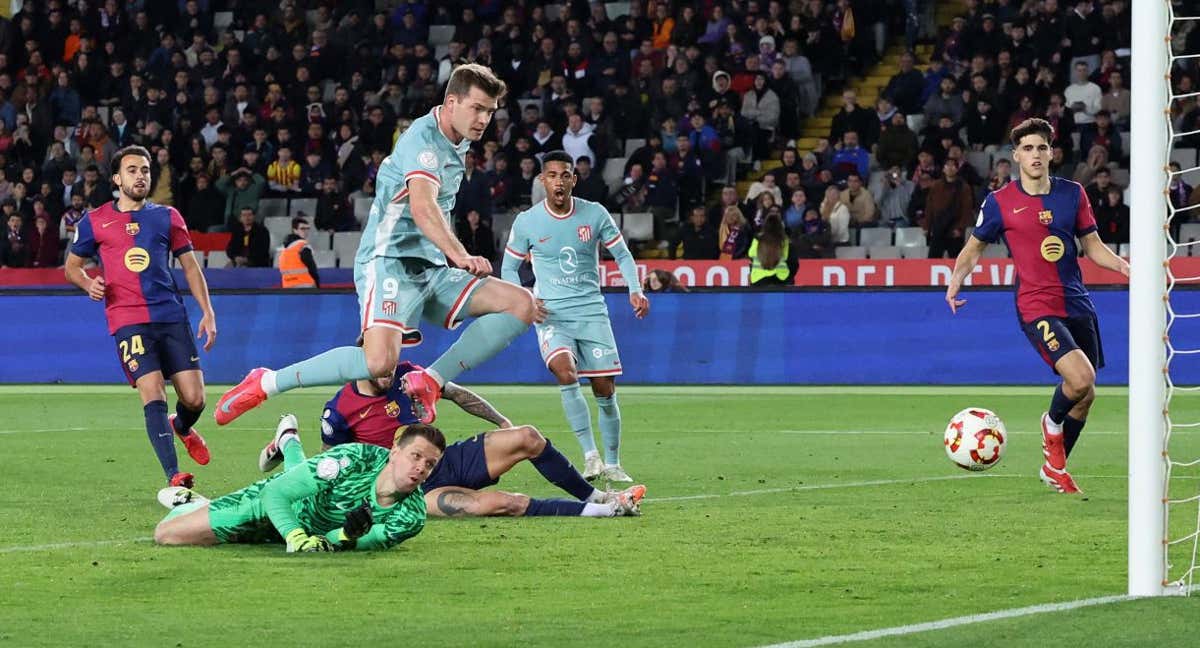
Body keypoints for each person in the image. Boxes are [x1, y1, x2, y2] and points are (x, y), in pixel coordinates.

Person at [215, 65, 540, 427]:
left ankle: (430, 381)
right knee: (379, 364)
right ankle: (266, 382)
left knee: (520, 304)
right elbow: (422, 207)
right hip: (389, 261)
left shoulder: (458, 142)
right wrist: (461, 255)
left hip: (429, 268)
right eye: (477, 108)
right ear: (452, 102)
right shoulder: (424, 141)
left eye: (490, 112)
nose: (484, 119)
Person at [945, 119, 1130, 495]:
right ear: (1016, 156)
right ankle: (1051, 423)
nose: (1035, 155)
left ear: (1051, 153)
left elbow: (1091, 246)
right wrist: (955, 281)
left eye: (1041, 148)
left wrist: (1125, 266)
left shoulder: (1073, 194)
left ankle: (1053, 468)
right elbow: (974, 247)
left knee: (1086, 393)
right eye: (1027, 149)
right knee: (1080, 379)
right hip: (1035, 304)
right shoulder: (1000, 202)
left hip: (1076, 302)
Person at [259, 363, 644, 518]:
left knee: (527, 436)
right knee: (498, 504)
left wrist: (500, 421)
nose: (388, 366)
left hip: (442, 461)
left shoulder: (408, 374)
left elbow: (458, 393)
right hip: (403, 487)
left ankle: (594, 496)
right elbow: (329, 467)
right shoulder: (339, 409)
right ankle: (606, 512)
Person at [64, 145, 217, 488]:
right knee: (153, 392)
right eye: (132, 170)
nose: (140, 176)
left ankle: (182, 426)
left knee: (195, 399)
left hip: (170, 315)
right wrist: (88, 283)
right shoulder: (95, 221)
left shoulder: (168, 216)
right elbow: (72, 267)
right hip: (126, 319)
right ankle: (174, 476)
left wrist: (207, 311)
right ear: (117, 179)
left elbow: (191, 267)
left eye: (145, 170)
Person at [502, 150, 648, 482]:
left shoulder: (594, 214)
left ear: (573, 179)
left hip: (591, 313)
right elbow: (508, 268)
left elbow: (622, 254)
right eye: (552, 175)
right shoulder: (527, 221)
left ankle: (612, 463)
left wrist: (635, 289)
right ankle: (591, 457)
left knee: (604, 389)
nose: (558, 181)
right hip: (551, 314)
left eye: (564, 175)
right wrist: (524, 299)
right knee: (565, 371)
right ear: (543, 180)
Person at [154, 423, 445, 552]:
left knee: (308, 480)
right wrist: (294, 536)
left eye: (430, 464)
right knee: (168, 534)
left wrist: (347, 534)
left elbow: (339, 541)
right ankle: (192, 503)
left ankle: (288, 440)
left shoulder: (411, 517)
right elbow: (276, 493)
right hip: (275, 507)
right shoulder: (353, 459)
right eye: (415, 456)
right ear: (394, 452)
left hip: (310, 539)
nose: (420, 468)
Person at [278, 216, 320, 288]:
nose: (306, 231)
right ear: (295, 230)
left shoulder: (284, 249)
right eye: (303, 229)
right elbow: (312, 268)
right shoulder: (303, 246)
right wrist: (317, 284)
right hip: (306, 285)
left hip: (287, 287)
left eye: (308, 229)